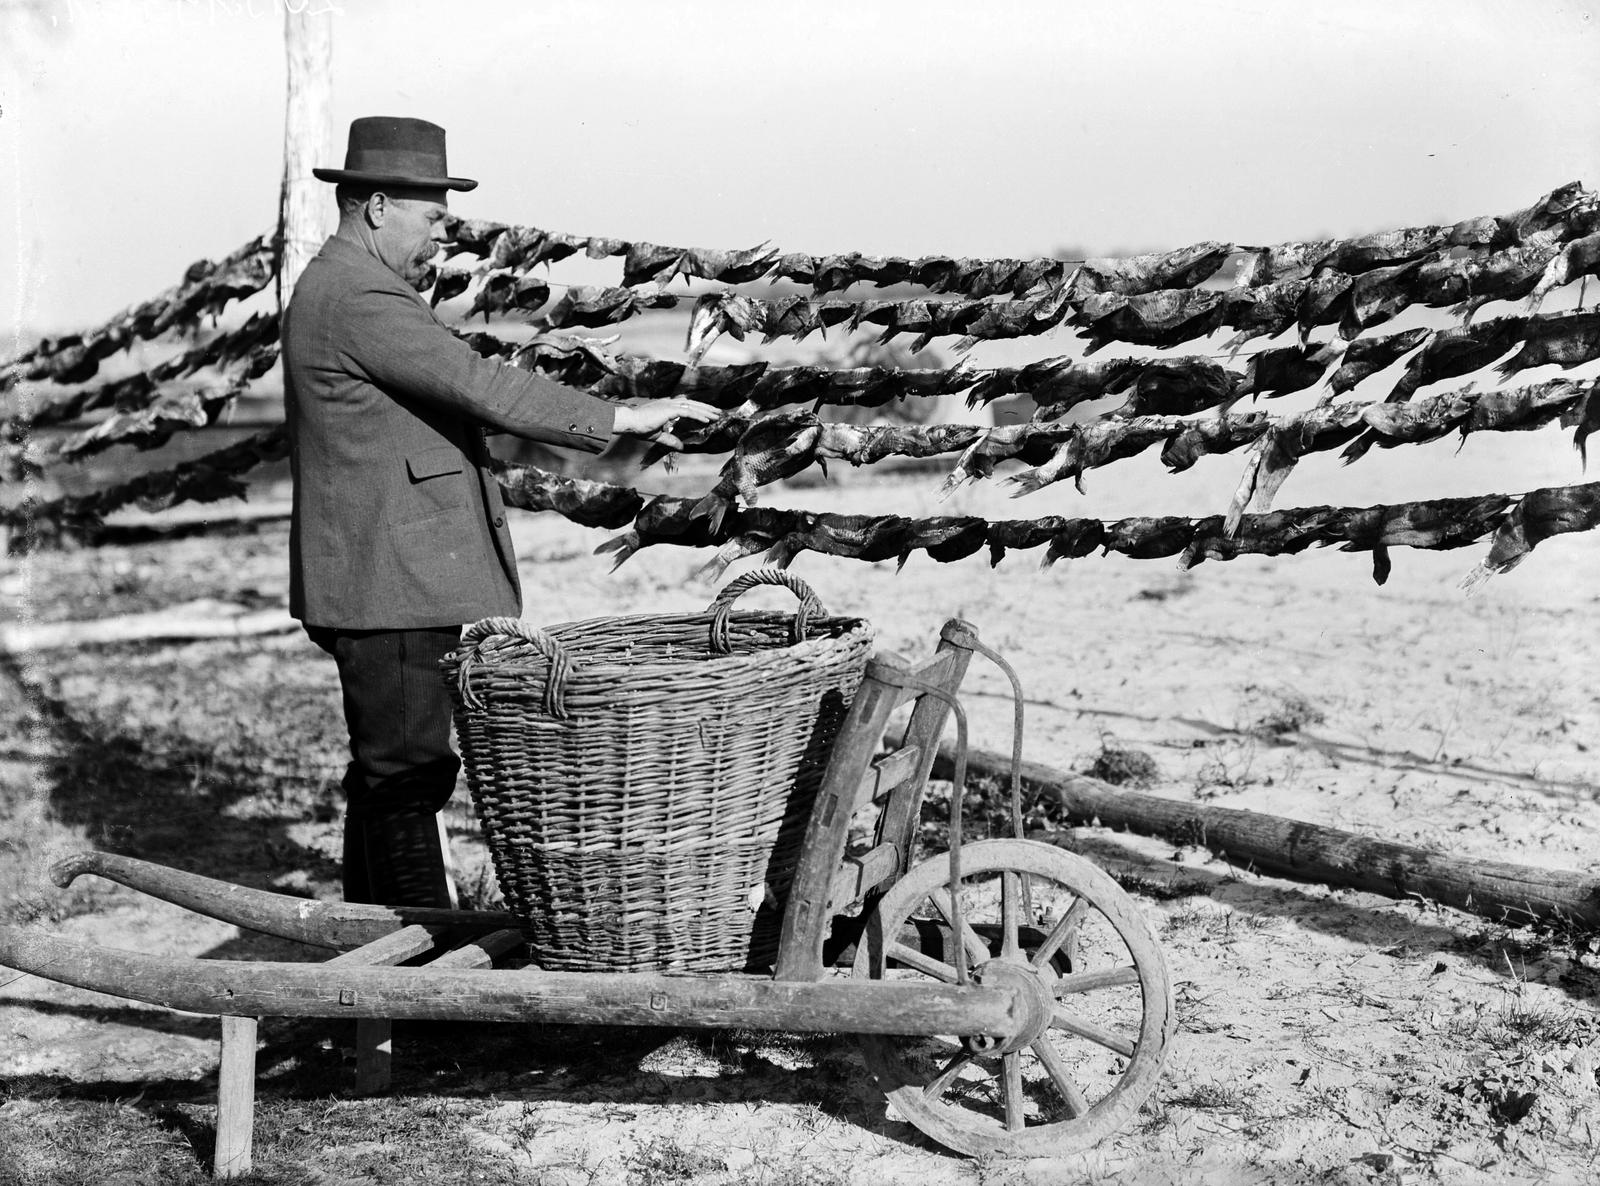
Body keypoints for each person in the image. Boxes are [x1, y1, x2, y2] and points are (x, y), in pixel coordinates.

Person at [283, 116, 717, 908]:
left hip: (384, 575)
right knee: (409, 775)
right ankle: (419, 974)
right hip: (393, 583)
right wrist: (618, 421)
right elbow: (479, 383)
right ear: (377, 205)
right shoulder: (360, 296)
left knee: (385, 770)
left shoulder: (344, 285)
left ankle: (370, 960)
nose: (441, 235)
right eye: (432, 214)